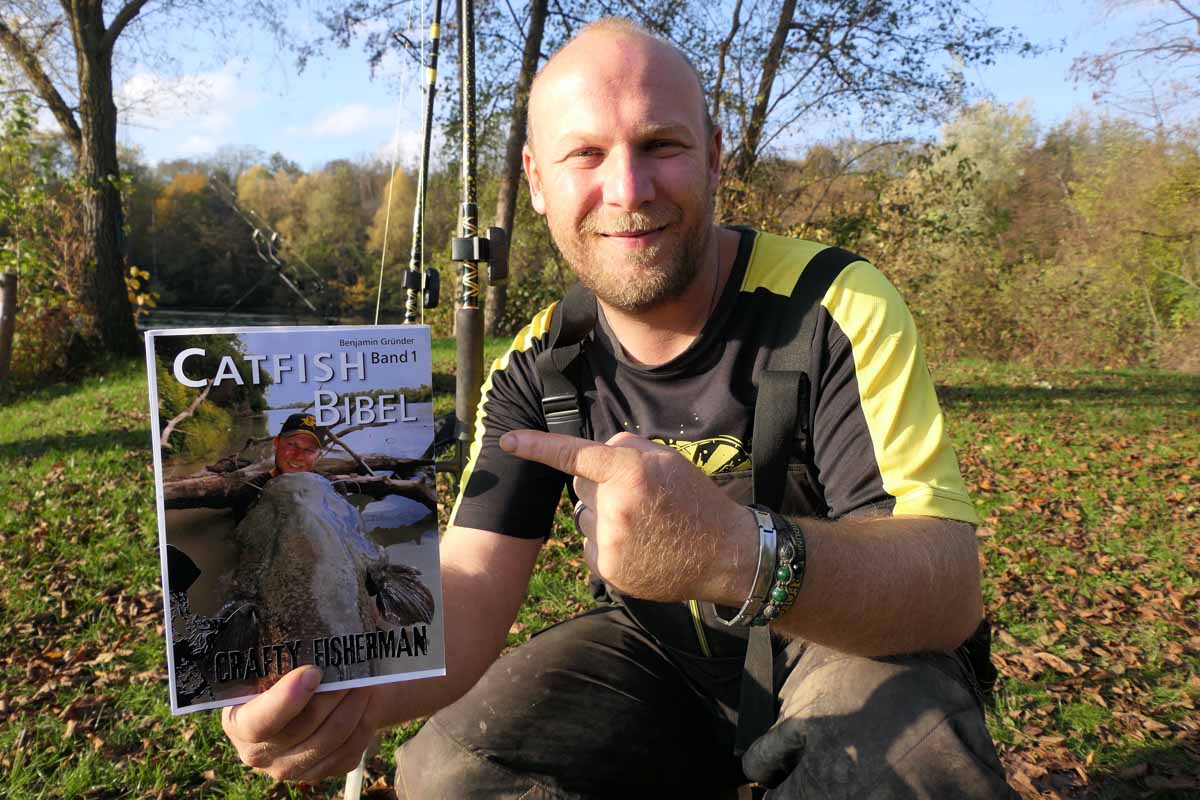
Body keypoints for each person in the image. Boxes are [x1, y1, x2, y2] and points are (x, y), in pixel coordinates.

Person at [220, 19, 1016, 798]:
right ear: (536, 180)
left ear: (714, 155)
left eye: (661, 145)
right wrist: (350, 705)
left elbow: (948, 588)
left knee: (902, 762)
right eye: (586, 154)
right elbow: (467, 582)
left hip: (841, 644)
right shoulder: (537, 366)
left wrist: (734, 550)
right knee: (451, 769)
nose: (628, 190)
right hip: (657, 658)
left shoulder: (833, 305)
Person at [230, 413, 326, 522]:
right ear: (276, 442)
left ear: (318, 456)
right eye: (292, 445)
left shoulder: (333, 489)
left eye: (309, 450)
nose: (298, 456)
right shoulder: (248, 494)